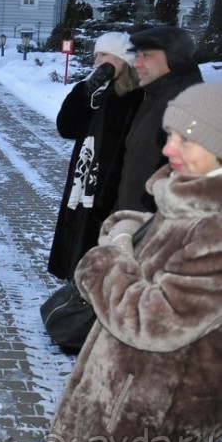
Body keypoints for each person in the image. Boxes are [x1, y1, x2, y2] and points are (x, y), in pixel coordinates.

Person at [40, 82, 222, 442]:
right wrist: (137, 229)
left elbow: (153, 321)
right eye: (170, 134)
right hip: (124, 398)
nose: (168, 149)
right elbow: (176, 260)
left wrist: (105, 262)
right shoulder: (188, 202)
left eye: (186, 140)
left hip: (150, 420)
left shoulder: (215, 230)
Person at [47, 32, 143, 283]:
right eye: (95, 55)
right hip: (82, 183)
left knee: (97, 257)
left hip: (108, 190)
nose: (96, 61)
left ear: (122, 58)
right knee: (76, 247)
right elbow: (65, 128)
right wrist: (84, 90)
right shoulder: (93, 91)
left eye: (103, 54)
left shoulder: (137, 96)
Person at [115, 25, 203, 213]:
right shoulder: (154, 97)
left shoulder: (190, 106)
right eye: (137, 56)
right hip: (131, 225)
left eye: (146, 56)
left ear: (174, 59)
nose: (136, 63)